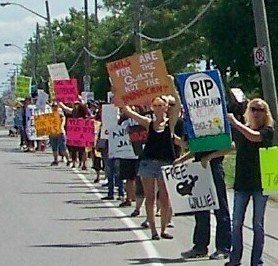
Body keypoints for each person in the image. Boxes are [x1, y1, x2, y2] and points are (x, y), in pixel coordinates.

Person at [121, 75, 181, 240]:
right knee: (150, 197)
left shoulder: (170, 124)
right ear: (152, 107)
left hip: (166, 163)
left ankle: (163, 229)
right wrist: (121, 93)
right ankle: (154, 231)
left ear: (166, 107)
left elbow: (178, 104)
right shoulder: (149, 123)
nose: (158, 108)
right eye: (155, 105)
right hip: (148, 163)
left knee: (165, 196)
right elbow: (129, 112)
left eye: (161, 105)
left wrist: (170, 84)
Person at [225, 98, 274, 266]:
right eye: (253, 109)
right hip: (241, 182)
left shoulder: (268, 130)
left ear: (265, 113)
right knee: (237, 222)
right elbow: (232, 145)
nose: (256, 112)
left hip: (260, 183)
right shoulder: (242, 129)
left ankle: (256, 261)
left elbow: (254, 137)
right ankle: (234, 258)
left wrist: (235, 122)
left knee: (257, 224)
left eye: (260, 110)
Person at [175, 145, 232, 260]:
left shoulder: (220, 127)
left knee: (220, 208)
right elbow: (197, 148)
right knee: (201, 208)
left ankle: (223, 248)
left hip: (214, 167)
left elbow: (230, 146)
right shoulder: (197, 129)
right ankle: (200, 247)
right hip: (199, 168)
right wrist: (182, 159)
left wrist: (210, 157)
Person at [49, 102, 71, 166]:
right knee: (54, 148)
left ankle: (68, 159)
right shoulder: (49, 114)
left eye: (56, 106)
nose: (54, 107)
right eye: (53, 106)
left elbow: (63, 121)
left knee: (63, 148)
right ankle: (55, 160)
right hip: (52, 133)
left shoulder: (60, 113)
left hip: (60, 133)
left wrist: (61, 127)